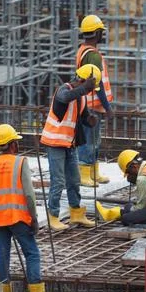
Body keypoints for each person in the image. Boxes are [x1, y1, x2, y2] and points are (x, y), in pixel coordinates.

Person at [0, 124, 58, 292]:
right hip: (17, 217)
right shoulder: (20, 162)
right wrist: (33, 218)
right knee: (32, 253)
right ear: (12, 144)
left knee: (3, 256)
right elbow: (29, 195)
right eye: (16, 141)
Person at [40, 64, 101, 231]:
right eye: (89, 87)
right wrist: (83, 88)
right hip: (55, 143)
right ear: (81, 80)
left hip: (70, 144)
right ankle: (53, 216)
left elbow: (83, 116)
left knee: (74, 180)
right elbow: (65, 98)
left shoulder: (82, 97)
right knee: (58, 181)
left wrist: (90, 120)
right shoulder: (63, 89)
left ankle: (76, 212)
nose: (89, 91)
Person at [76, 14, 114, 187]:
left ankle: (93, 172)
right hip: (91, 105)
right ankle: (84, 174)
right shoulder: (93, 56)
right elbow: (97, 85)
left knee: (94, 141)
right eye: (101, 31)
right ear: (97, 33)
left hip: (89, 104)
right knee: (89, 142)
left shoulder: (84, 50)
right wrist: (108, 107)